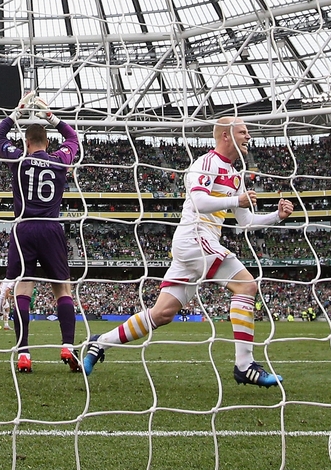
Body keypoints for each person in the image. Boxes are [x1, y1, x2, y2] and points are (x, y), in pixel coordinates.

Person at [82, 117, 294, 387]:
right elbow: (198, 200)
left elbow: (245, 222)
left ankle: (100, 342)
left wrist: (277, 215)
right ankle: (245, 365)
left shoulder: (235, 174)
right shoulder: (206, 163)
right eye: (243, 131)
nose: (248, 136)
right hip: (195, 238)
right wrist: (234, 200)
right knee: (246, 286)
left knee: (162, 314)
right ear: (226, 135)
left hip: (199, 244)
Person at [0, 91, 81, 373]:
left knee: (23, 290)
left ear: (27, 142)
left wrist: (17, 112)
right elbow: (73, 139)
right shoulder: (60, 160)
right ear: (46, 142)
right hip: (52, 228)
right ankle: (67, 345)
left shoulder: (19, 159)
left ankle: (24, 353)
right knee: (62, 289)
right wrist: (51, 116)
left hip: (24, 229)